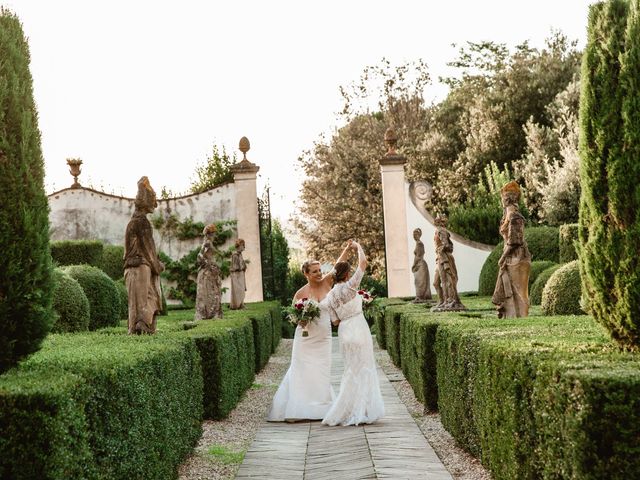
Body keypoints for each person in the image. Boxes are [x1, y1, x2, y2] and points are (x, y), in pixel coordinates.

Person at [267, 241, 353, 422]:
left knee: (321, 371)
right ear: (306, 274)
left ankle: (320, 408)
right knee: (302, 369)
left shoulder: (328, 281)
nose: (319, 273)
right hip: (305, 338)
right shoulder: (300, 294)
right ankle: (298, 408)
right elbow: (294, 319)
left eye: (320, 270)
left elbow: (339, 265)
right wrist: (303, 317)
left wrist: (347, 248)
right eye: (314, 271)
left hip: (324, 336)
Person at [322, 241, 384, 426]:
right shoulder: (351, 286)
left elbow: (335, 321)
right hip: (359, 326)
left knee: (350, 370)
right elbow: (363, 264)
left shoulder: (330, 296)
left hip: (344, 331)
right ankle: (364, 409)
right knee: (365, 367)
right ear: (347, 274)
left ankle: (347, 409)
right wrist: (358, 247)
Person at [124, 176, 164, 334]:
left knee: (142, 300)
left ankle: (142, 327)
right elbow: (149, 251)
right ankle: (141, 327)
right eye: (152, 200)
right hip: (140, 267)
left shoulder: (134, 222)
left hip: (136, 267)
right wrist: (158, 266)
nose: (155, 204)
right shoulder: (142, 223)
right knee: (145, 301)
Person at [492, 181, 531, 318]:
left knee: (519, 292)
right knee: (509, 288)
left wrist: (503, 257)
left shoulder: (515, 216)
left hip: (518, 257)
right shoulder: (508, 215)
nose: (502, 200)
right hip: (510, 256)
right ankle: (510, 317)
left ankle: (520, 318)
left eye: (503, 198)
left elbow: (515, 240)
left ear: (508, 199)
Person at [194, 224, 223, 320]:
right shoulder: (207, 243)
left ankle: (212, 313)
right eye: (213, 233)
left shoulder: (208, 243)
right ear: (209, 234)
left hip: (211, 271)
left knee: (212, 292)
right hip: (208, 272)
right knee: (210, 292)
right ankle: (211, 314)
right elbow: (199, 256)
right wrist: (208, 265)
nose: (214, 235)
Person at [412, 228, 432, 303]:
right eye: (413, 235)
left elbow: (418, 256)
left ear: (419, 235)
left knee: (420, 282)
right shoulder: (419, 243)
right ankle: (421, 296)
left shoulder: (419, 244)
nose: (414, 236)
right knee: (419, 281)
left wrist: (414, 265)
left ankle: (420, 296)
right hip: (420, 264)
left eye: (415, 234)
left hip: (420, 264)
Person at [229, 239, 246, 310]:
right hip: (236, 275)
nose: (244, 247)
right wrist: (242, 267)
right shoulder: (235, 255)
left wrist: (244, 266)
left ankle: (241, 304)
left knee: (241, 289)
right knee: (237, 290)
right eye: (243, 245)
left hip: (240, 274)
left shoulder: (240, 254)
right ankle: (237, 305)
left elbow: (242, 264)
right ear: (239, 246)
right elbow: (235, 266)